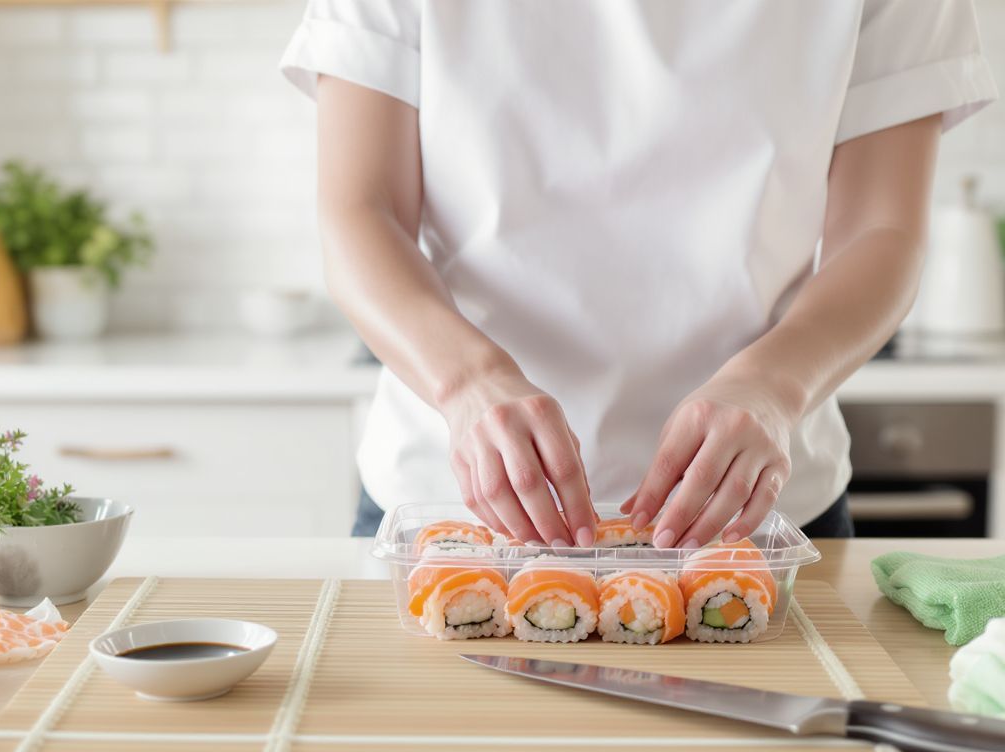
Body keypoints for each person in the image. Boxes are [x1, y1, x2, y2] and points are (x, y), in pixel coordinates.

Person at [281, 1, 996, 548]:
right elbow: (359, 210)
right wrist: (467, 383)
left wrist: (773, 388)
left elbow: (882, 233)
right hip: (449, 503)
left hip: (755, 514)